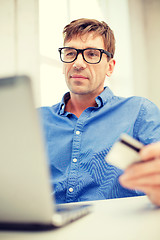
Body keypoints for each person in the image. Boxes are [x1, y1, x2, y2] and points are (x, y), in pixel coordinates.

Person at [39, 18, 160, 206]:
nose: (78, 63)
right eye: (70, 53)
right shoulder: (36, 120)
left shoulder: (139, 111)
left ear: (110, 67)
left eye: (92, 54)